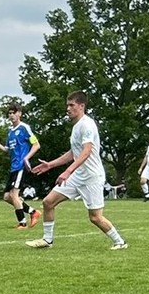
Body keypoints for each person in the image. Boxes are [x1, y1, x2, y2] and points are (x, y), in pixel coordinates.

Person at [27, 91, 127, 250]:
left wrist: (67, 172)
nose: (68, 108)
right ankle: (47, 240)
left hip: (92, 177)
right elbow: (73, 152)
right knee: (48, 202)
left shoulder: (87, 125)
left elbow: (86, 152)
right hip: (78, 175)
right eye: (67, 105)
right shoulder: (76, 126)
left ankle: (120, 242)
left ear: (81, 106)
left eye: (71, 105)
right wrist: (50, 165)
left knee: (95, 217)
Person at [0, 103, 41, 229]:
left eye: (14, 113)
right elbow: (7, 149)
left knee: (14, 195)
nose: (11, 115)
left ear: (19, 113)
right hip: (13, 168)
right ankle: (33, 212)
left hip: (20, 167)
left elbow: (36, 145)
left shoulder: (24, 128)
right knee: (7, 197)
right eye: (9, 113)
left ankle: (22, 223)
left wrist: (26, 158)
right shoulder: (10, 132)